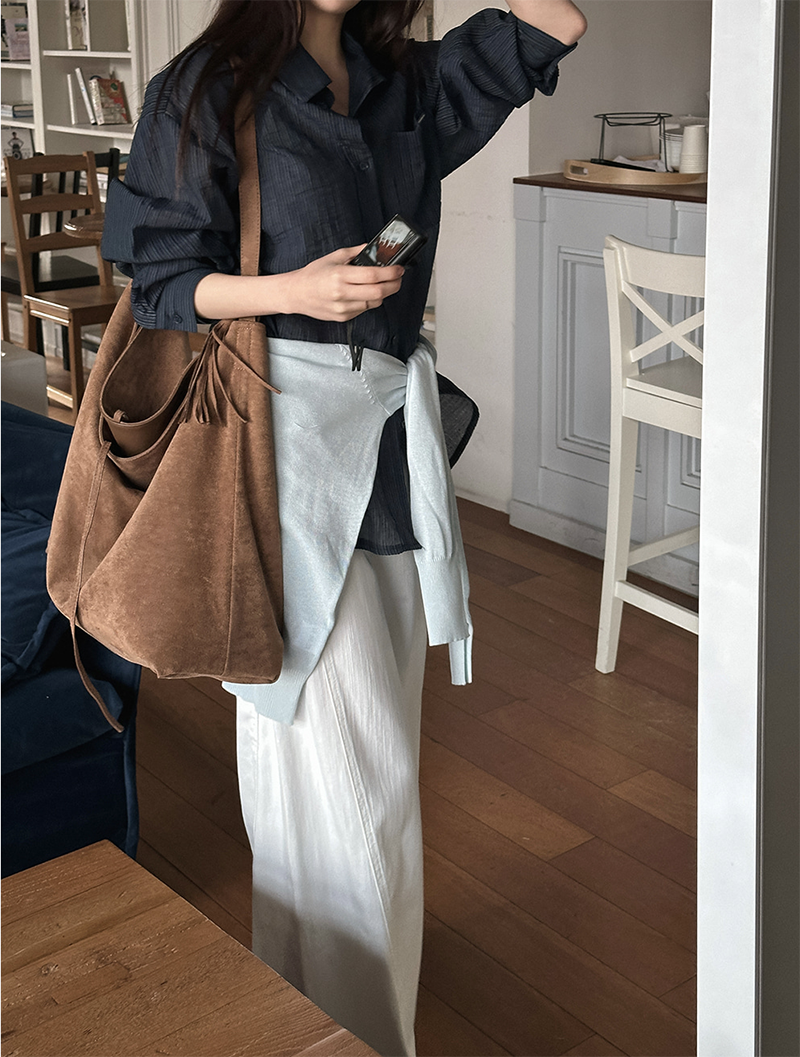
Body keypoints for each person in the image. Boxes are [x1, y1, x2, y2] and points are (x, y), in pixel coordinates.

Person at [101, 1, 586, 1054]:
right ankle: (351, 1027)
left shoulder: (402, 81)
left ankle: (312, 1013)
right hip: (277, 455)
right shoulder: (206, 87)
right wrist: (296, 288)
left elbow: (555, 19)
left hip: (386, 453)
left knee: (360, 774)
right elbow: (160, 282)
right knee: (345, 783)